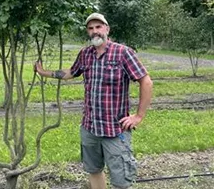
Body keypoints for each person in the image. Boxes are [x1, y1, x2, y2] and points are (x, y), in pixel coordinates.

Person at [34, 12, 153, 189]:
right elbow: (71, 73)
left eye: (98, 27)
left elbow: (146, 81)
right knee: (94, 170)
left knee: (121, 180)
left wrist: (138, 116)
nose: (95, 31)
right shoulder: (85, 54)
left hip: (115, 129)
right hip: (90, 127)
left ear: (107, 29)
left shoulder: (123, 53)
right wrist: (44, 72)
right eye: (91, 28)